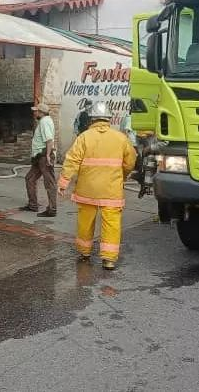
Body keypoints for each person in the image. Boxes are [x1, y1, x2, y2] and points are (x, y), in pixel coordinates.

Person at [58, 101, 137, 271]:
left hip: (88, 189)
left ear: (92, 119)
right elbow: (130, 162)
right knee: (111, 224)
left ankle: (84, 251)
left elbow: (72, 160)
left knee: (85, 222)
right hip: (111, 190)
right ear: (109, 118)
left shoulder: (84, 137)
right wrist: (122, 175)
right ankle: (108, 260)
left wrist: (64, 182)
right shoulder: (120, 138)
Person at [23, 103, 58, 217]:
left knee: (49, 183)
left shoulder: (44, 122)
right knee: (30, 178)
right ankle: (32, 205)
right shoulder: (45, 121)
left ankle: (52, 209)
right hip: (40, 156)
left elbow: (49, 140)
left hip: (43, 156)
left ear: (41, 112)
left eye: (36, 111)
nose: (35, 113)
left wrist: (48, 155)